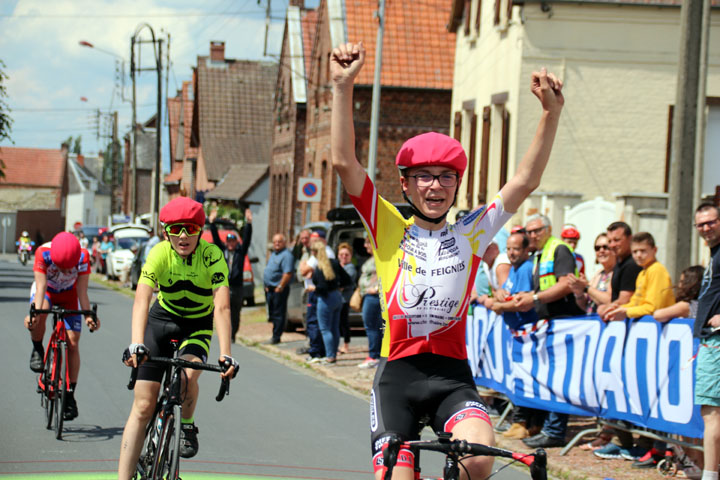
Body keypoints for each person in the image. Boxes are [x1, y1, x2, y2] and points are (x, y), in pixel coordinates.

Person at [330, 41, 564, 479]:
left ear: (457, 183)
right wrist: (343, 86)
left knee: (478, 458)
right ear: (405, 184)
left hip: (452, 378)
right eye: (423, 177)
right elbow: (344, 162)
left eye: (446, 177)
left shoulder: (473, 232)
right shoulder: (389, 228)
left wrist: (550, 113)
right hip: (398, 376)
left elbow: (526, 180)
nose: (434, 187)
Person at [117, 197, 238, 480]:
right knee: (143, 405)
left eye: (190, 229)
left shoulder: (212, 256)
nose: (183, 236)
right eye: (176, 229)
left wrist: (226, 353)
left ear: (200, 230)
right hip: (161, 322)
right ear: (165, 231)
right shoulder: (159, 253)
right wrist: (137, 343)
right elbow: (142, 299)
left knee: (188, 375)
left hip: (197, 325)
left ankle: (187, 424)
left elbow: (221, 306)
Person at [512, 214, 583, 448]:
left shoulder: (559, 249)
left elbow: (565, 284)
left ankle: (555, 431)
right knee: (548, 377)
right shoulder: (539, 254)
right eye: (530, 232)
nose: (533, 235)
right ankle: (544, 426)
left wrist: (534, 297)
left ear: (549, 229)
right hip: (548, 322)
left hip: (563, 321)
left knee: (559, 379)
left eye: (537, 230)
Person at [24, 231, 99, 421]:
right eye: (61, 268)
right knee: (40, 315)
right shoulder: (43, 253)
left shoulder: (83, 256)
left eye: (69, 269)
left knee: (73, 343)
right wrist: (34, 315)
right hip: (47, 291)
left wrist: (89, 316)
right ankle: (37, 349)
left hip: (69, 295)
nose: (66, 272)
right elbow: (40, 289)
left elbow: (82, 291)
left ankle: (70, 395)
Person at [489, 231, 544, 440]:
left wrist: (500, 306)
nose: (511, 253)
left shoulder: (526, 268)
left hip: (528, 333)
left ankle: (526, 422)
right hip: (516, 333)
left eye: (516, 249)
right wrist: (498, 295)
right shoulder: (514, 269)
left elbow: (521, 303)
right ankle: (519, 420)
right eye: (509, 249)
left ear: (525, 250)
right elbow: (504, 292)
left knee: (527, 378)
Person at [690, 203, 720, 480]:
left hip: (717, 342)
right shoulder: (714, 253)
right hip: (710, 342)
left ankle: (710, 476)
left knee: (711, 413)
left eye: (711, 222)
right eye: (701, 224)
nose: (706, 228)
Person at [602, 232, 675, 322]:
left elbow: (653, 308)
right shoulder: (642, 273)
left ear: (655, 250)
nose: (638, 255)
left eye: (643, 251)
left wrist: (626, 311)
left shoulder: (656, 270)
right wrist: (618, 308)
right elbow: (636, 302)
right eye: (635, 252)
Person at [209, 208, 253, 340]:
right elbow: (216, 239)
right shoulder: (222, 251)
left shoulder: (240, 252)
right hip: (224, 285)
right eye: (228, 241)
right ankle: (226, 332)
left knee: (235, 311)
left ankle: (233, 333)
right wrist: (212, 223)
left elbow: (247, 239)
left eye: (233, 241)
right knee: (223, 309)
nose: (230, 243)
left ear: (236, 242)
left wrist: (249, 223)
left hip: (237, 286)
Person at [310, 239, 351, 364]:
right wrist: (339, 286)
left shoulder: (319, 268)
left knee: (325, 329)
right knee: (334, 328)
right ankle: (333, 354)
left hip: (326, 298)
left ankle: (330, 356)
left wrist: (314, 288)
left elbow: (322, 287)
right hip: (336, 296)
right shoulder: (334, 263)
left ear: (315, 252)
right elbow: (347, 279)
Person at [299, 230, 335, 361]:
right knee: (315, 323)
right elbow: (305, 271)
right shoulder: (313, 254)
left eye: (315, 240)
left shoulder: (324, 253)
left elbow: (303, 270)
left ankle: (317, 352)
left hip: (316, 292)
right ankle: (318, 350)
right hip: (313, 292)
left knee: (315, 323)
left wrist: (306, 267)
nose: (311, 243)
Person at [597, 222, 643, 318]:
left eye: (617, 240)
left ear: (630, 239)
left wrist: (605, 310)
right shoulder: (619, 263)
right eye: (609, 241)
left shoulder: (632, 265)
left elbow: (624, 300)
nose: (612, 245)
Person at [568, 233, 616, 314]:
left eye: (605, 247)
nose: (601, 250)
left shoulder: (617, 273)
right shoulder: (599, 274)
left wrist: (586, 287)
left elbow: (609, 300)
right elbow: (586, 305)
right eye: (597, 248)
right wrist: (579, 292)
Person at [263, 233, 295, 344]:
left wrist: (280, 286)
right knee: (272, 313)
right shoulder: (274, 254)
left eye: (279, 241)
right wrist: (267, 285)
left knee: (278, 313)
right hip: (270, 288)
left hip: (279, 289)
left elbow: (288, 273)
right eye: (275, 241)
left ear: (284, 243)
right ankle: (274, 334)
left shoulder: (286, 255)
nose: (276, 243)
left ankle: (276, 336)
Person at [357, 234, 382, 369]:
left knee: (371, 326)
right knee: (373, 326)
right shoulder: (372, 259)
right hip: (368, 295)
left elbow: (383, 275)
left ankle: (374, 355)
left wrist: (376, 288)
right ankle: (375, 354)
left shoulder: (379, 259)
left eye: (367, 242)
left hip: (373, 296)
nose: (365, 245)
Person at [337, 242, 358, 354]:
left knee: (344, 322)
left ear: (350, 256)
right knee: (338, 323)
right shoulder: (338, 266)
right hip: (337, 298)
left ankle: (346, 345)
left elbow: (344, 283)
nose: (344, 257)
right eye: (341, 254)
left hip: (345, 299)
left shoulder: (350, 268)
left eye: (346, 254)